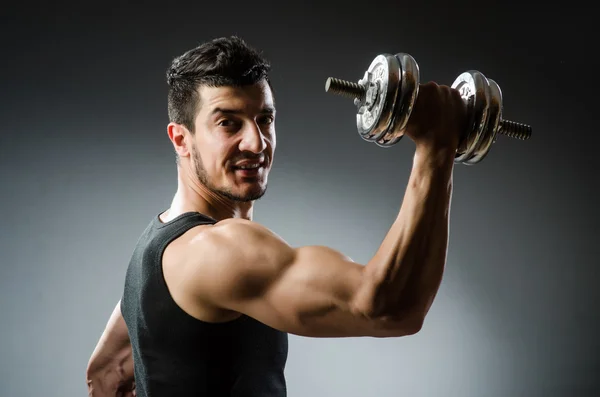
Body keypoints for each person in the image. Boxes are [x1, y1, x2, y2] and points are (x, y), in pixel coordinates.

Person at [85, 36, 467, 397]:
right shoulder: (218, 251)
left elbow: (105, 374)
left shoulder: (155, 245)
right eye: (228, 123)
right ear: (181, 139)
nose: (256, 142)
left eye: (264, 119)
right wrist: (436, 147)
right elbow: (390, 309)